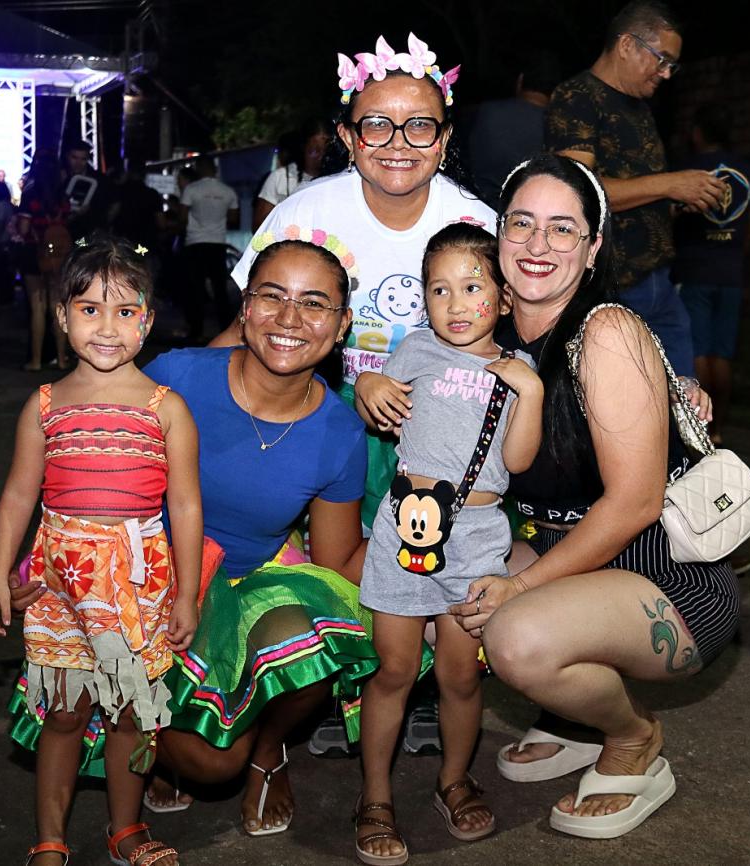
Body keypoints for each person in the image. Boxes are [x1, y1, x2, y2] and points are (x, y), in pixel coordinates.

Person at [8, 236, 377, 837]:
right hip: (140, 586)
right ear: (245, 309)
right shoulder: (177, 376)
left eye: (314, 303)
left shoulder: (340, 431)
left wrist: (429, 550)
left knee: (321, 636)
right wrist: (36, 564)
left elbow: (334, 565)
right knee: (197, 756)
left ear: (341, 326)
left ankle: (267, 752)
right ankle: (148, 743)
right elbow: (76, 464)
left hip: (246, 588)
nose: (289, 318)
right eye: (272, 297)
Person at [448, 154, 740, 839]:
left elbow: (634, 505)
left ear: (593, 247)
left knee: (514, 636)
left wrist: (521, 589)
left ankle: (632, 737)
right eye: (522, 223)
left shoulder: (606, 333)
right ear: (498, 234)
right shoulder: (490, 335)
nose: (538, 244)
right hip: (569, 558)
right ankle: (573, 713)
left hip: (666, 580)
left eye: (562, 228)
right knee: (449, 586)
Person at [223, 32, 495, 760]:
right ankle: (339, 680)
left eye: (420, 125)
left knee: (436, 555)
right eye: (377, 124)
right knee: (336, 561)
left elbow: (533, 330)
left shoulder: (477, 226)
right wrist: (154, 389)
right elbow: (249, 323)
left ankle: (428, 689)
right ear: (347, 136)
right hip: (326, 426)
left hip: (446, 441)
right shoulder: (303, 215)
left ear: (445, 138)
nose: (398, 143)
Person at [0, 235, 202, 866]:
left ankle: (125, 828)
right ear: (61, 315)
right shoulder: (44, 405)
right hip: (58, 583)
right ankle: (50, 837)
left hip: (137, 584)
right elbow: (17, 496)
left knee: (132, 714)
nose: (107, 327)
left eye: (125, 311)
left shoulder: (167, 409)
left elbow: (186, 506)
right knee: (64, 713)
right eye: (89, 309)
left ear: (147, 321)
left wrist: (186, 595)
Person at [352, 223, 542, 864]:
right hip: (405, 528)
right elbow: (378, 410)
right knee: (394, 670)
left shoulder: (517, 370)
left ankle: (454, 780)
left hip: (477, 539)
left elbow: (518, 460)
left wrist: (531, 391)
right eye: (439, 290)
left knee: (460, 675)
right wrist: (368, 387)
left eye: (472, 287)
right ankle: (375, 797)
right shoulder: (414, 350)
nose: (456, 304)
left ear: (504, 298)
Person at [545, 0, 728, 378]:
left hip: (660, 282)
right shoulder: (577, 97)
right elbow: (577, 192)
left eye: (672, 65)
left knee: (683, 396)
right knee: (622, 398)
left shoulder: (640, 109)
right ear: (627, 44)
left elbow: (639, 191)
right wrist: (670, 184)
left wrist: (678, 201)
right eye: (662, 60)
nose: (666, 74)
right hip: (613, 286)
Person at [672, 102, 750, 447]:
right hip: (731, 272)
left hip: (694, 268)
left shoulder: (686, 170)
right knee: (722, 354)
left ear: (697, 132)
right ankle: (718, 428)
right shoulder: (749, 171)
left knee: (697, 350)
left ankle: (700, 426)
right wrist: (738, 255)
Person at [464, 52, 561, 206]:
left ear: (520, 81)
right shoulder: (560, 128)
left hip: (475, 204)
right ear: (557, 92)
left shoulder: (483, 112)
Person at [17, 154, 71, 371]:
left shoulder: (31, 193)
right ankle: (61, 358)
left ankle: (36, 360)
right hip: (59, 254)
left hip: (35, 253)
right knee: (57, 305)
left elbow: (23, 229)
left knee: (37, 306)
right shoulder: (62, 195)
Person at [177, 158, 239, 342]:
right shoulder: (227, 191)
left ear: (199, 169)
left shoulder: (191, 189)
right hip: (217, 243)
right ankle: (225, 330)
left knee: (195, 288)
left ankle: (196, 330)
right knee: (220, 289)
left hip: (195, 243)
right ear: (215, 169)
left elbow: (182, 217)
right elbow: (233, 219)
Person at [252, 117, 334, 230]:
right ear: (303, 148)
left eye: (326, 151)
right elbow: (258, 226)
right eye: (314, 150)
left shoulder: (337, 179)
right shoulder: (280, 177)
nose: (321, 156)